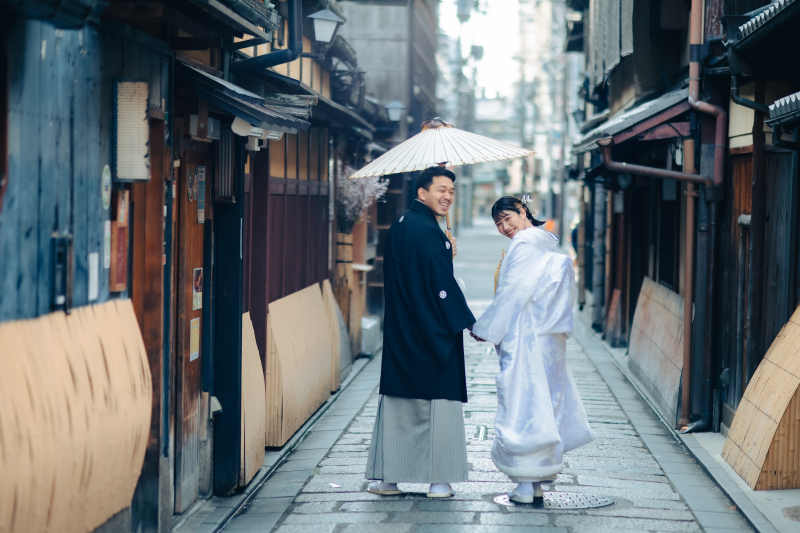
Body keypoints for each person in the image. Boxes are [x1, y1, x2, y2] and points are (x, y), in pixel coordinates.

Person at [471, 195, 595, 505]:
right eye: (498, 223)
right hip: (550, 338)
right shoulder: (546, 244)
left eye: (507, 218)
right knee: (546, 402)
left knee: (523, 403)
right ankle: (537, 480)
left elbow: (511, 293)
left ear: (523, 211)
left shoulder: (523, 245)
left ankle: (526, 485)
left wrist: (484, 328)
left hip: (526, 335)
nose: (504, 227)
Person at [365, 166, 476, 498]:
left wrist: (446, 248)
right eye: (441, 189)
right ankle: (439, 480)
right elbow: (439, 286)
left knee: (399, 402)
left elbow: (417, 272)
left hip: (402, 329)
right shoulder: (428, 230)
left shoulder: (402, 224)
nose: (447, 197)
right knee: (438, 404)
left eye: (452, 192)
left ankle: (388, 479)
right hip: (430, 332)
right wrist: (468, 322)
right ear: (422, 192)